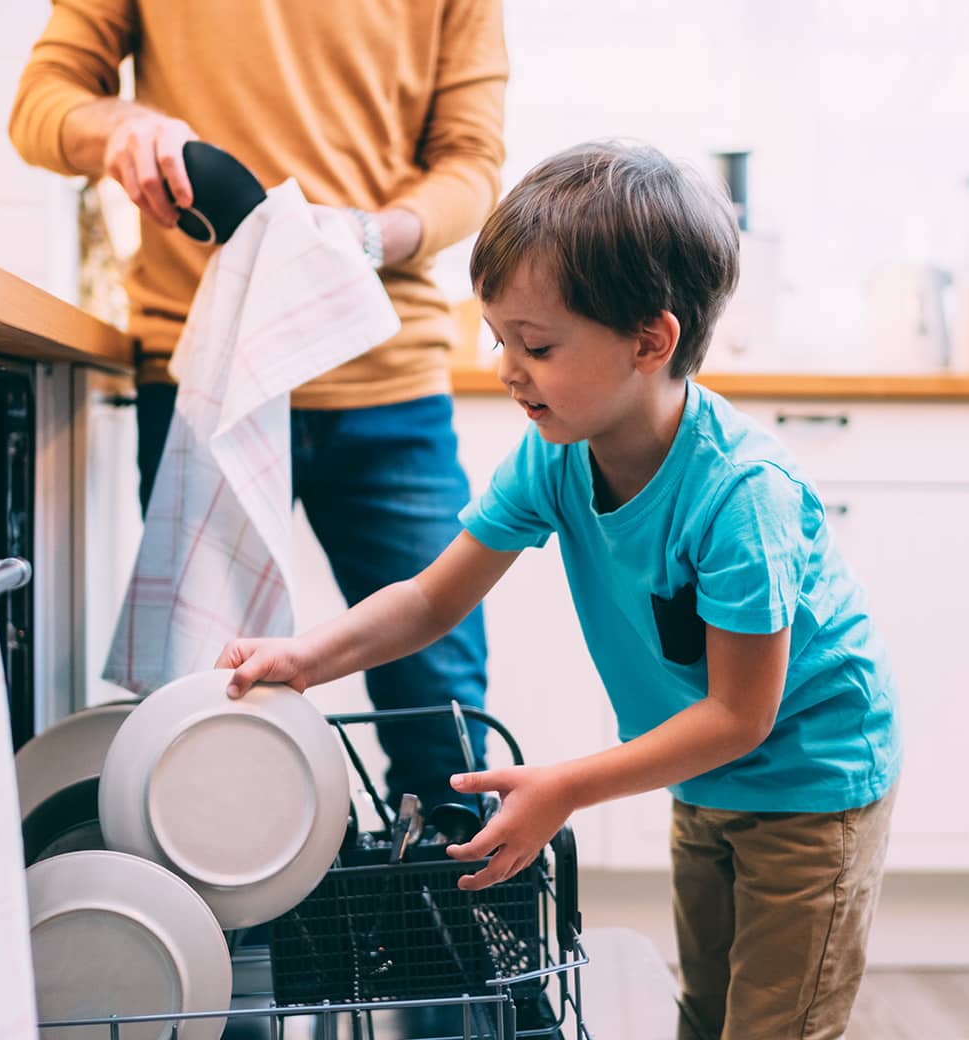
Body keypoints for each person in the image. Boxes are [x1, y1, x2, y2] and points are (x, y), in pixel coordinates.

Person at [216, 140, 902, 1040]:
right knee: (706, 1012)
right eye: (498, 336)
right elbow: (430, 600)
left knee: (777, 1025)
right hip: (705, 781)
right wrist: (309, 654)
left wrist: (567, 787)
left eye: (535, 344)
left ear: (650, 342)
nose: (507, 368)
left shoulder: (741, 499)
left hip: (813, 782)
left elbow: (743, 715)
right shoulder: (557, 454)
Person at [8, 0, 508, 812]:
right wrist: (121, 128)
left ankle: (440, 926)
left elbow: (473, 164)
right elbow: (41, 102)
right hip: (208, 375)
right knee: (205, 707)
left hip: (385, 377)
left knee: (440, 726)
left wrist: (369, 236)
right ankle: (224, 940)